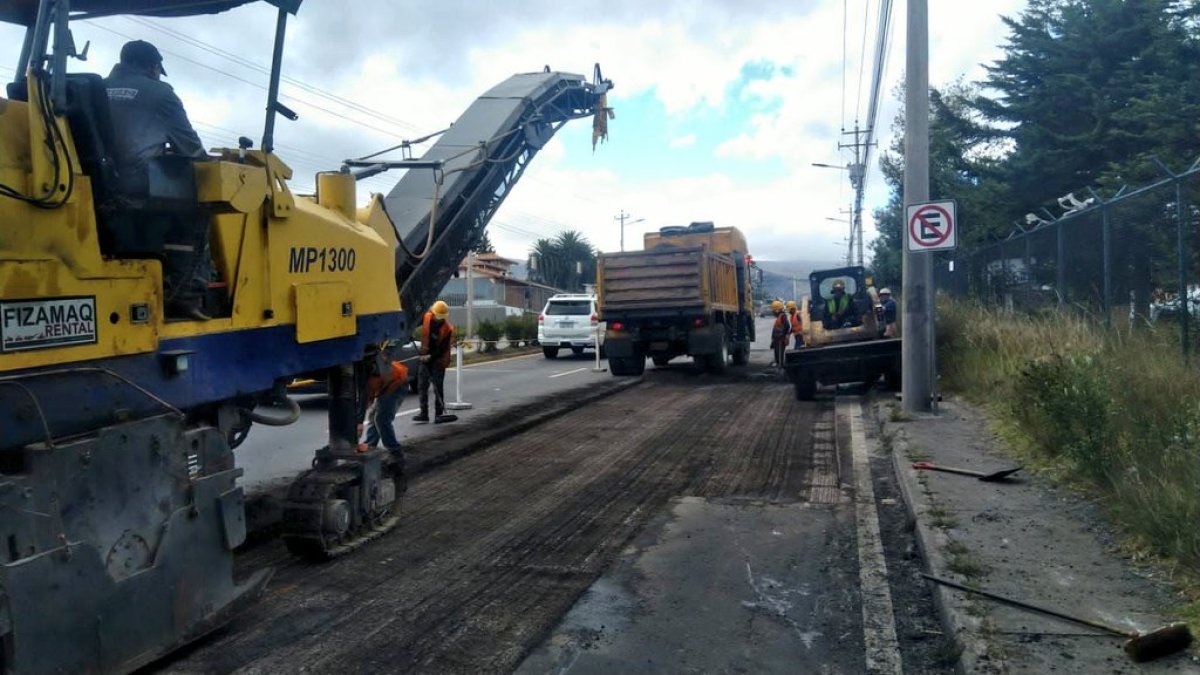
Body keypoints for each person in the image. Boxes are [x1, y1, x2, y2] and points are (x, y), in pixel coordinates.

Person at [105, 40, 211, 321]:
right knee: (199, 211)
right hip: (134, 185)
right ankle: (184, 296)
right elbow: (190, 147)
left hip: (95, 183)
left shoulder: (95, 88)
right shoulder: (161, 94)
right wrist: (209, 165)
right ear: (153, 67)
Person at [362, 347, 410, 468]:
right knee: (374, 416)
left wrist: (358, 423)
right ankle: (370, 445)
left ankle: (395, 452)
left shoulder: (368, 375)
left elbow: (367, 400)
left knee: (382, 419)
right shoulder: (364, 370)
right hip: (386, 383)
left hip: (396, 383)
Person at [414, 300, 457, 424]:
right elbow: (415, 324)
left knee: (437, 387)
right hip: (424, 357)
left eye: (441, 317)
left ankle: (439, 414)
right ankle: (423, 413)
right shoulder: (426, 317)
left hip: (439, 359)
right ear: (433, 313)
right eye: (438, 316)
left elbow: (442, 349)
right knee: (422, 386)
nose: (439, 319)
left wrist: (430, 357)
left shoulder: (447, 329)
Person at [769, 299, 788, 367]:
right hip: (777, 339)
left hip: (780, 339)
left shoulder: (783, 316)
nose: (773, 313)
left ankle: (781, 367)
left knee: (779, 354)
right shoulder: (779, 317)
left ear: (777, 310)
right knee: (777, 353)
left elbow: (787, 326)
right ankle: (779, 365)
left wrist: (782, 335)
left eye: (774, 311)